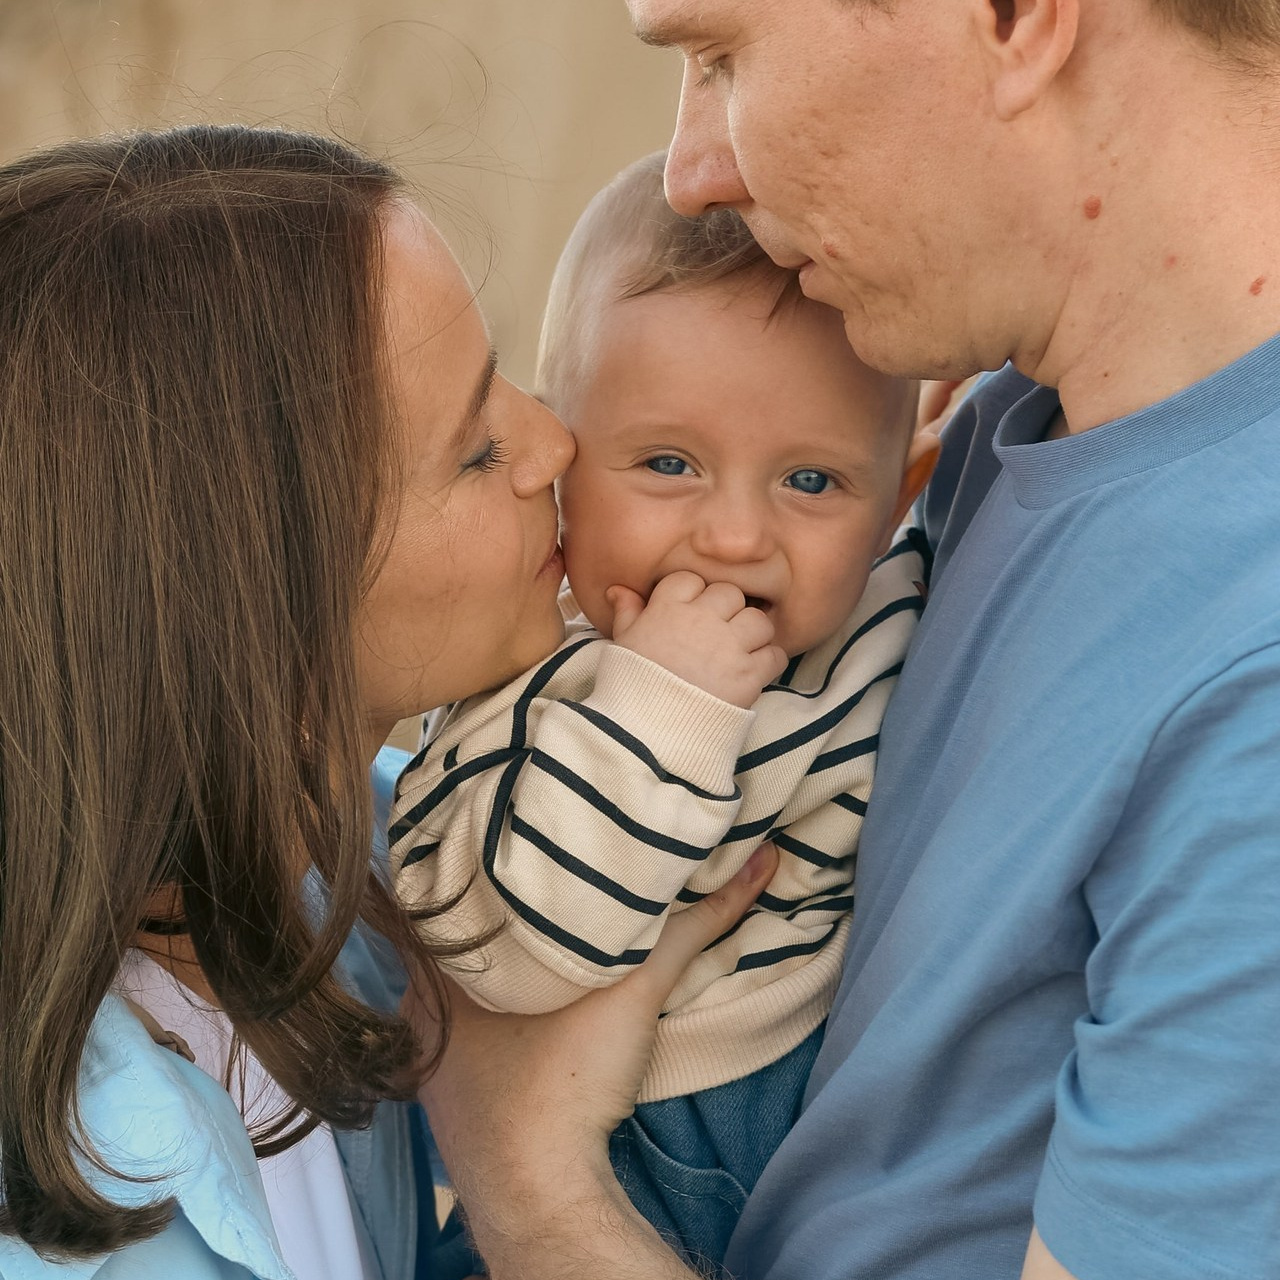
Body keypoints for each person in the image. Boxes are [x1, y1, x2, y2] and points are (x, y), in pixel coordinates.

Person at [414, 2, 1280, 1279]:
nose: (691, 171)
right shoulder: (1011, 435)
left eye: (720, 57)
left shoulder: (1248, 671)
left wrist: (531, 1185)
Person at [0, 123, 776, 1280]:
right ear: (248, 599)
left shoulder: (377, 879)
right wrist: (530, 1180)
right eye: (472, 450)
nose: (552, 441)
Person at [388, 151, 934, 1270]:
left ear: (900, 494)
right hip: (636, 1136)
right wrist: (665, 701)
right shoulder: (525, 705)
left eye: (812, 481)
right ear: (560, 462)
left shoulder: (882, 623)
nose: (736, 534)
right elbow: (508, 962)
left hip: (825, 1125)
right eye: (669, 463)